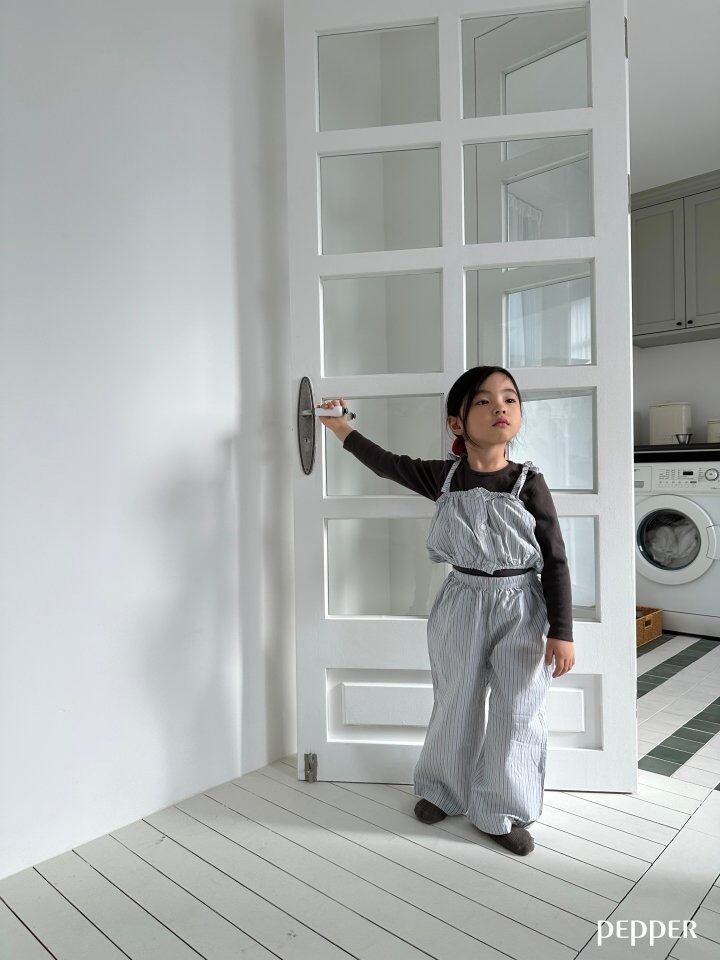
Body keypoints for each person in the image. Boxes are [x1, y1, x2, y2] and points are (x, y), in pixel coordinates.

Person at [317, 365, 575, 857]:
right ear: (457, 422)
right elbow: (386, 463)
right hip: (461, 602)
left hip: (521, 605)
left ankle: (500, 809)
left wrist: (562, 631)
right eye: (484, 401)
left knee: (518, 708)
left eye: (510, 399)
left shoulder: (529, 483)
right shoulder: (444, 478)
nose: (500, 407)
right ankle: (442, 790)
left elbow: (556, 560)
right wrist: (340, 426)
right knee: (456, 698)